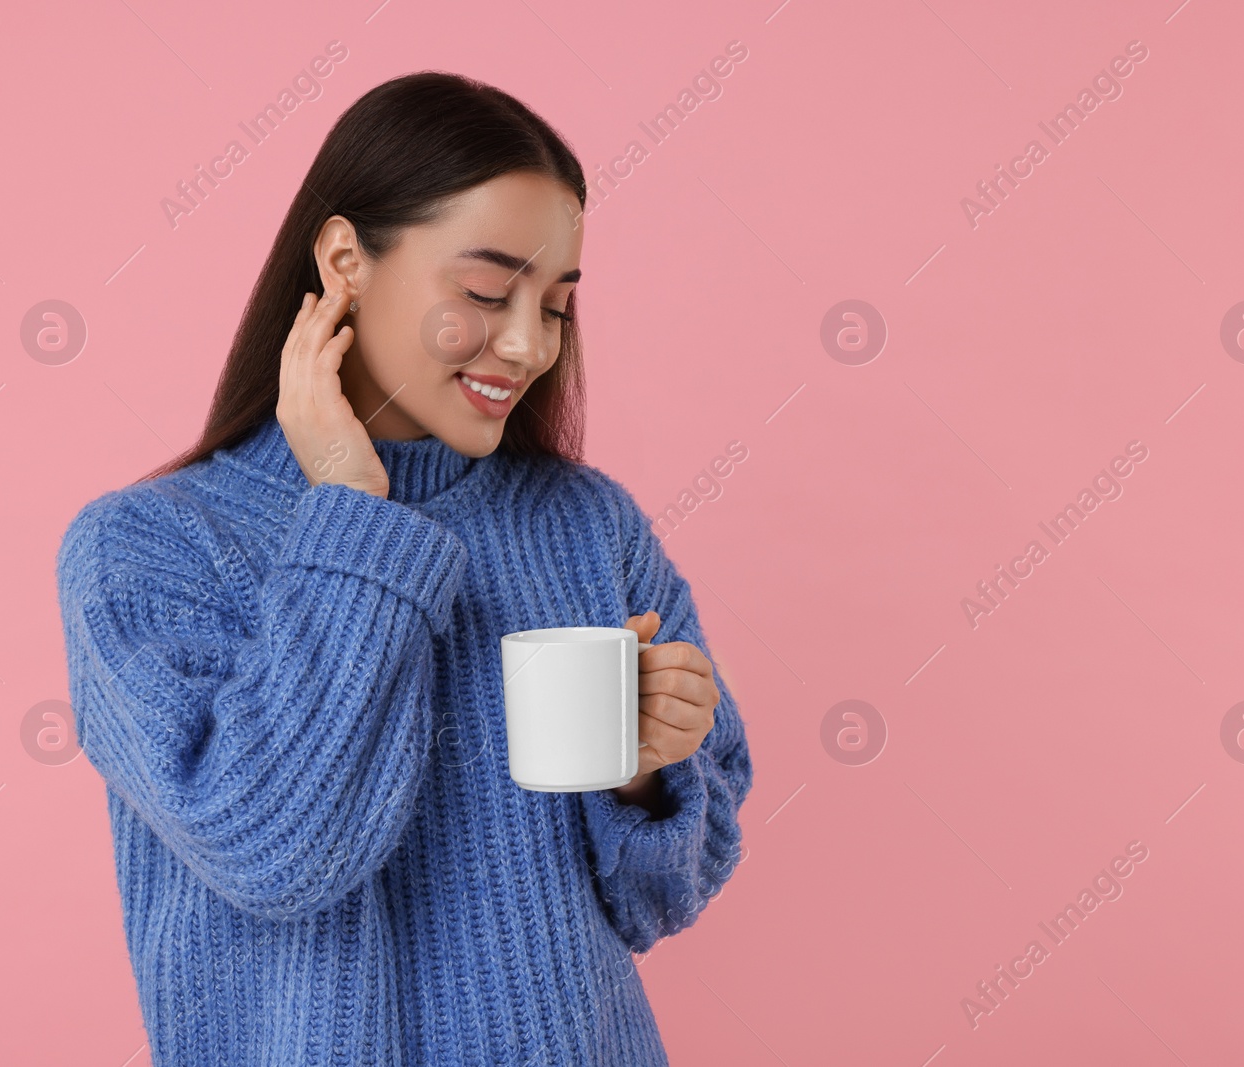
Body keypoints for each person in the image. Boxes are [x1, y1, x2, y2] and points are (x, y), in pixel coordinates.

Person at [54, 71, 753, 1066]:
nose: (525, 345)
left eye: (555, 305)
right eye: (482, 291)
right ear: (344, 259)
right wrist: (350, 510)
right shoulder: (144, 548)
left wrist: (645, 772)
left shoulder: (589, 524)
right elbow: (277, 848)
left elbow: (659, 898)